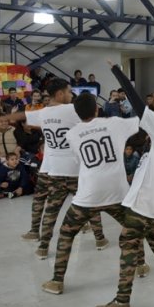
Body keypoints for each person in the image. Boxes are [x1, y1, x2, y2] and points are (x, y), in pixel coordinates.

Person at [94, 63, 154, 307]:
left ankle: (122, 301)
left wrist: (119, 74)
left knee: (128, 242)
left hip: (145, 199)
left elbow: (139, 107)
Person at [40, 92, 148, 295]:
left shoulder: (72, 134)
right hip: (118, 193)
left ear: (77, 113)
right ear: (97, 109)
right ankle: (141, 265)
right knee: (132, 229)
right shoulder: (115, 123)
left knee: (66, 234)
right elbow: (141, 119)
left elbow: (79, 160)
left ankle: (57, 281)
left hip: (88, 195)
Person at [14, 78, 105, 260]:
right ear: (60, 93)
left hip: (54, 170)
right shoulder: (73, 109)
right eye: (69, 91)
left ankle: (43, 246)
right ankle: (100, 239)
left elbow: (23, 119)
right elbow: (92, 119)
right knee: (90, 204)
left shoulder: (43, 112)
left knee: (51, 210)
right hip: (76, 169)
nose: (71, 95)